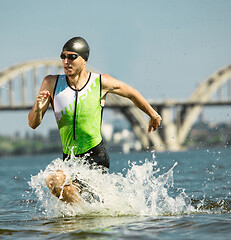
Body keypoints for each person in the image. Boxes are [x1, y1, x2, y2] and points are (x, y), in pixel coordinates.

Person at [28, 37, 162, 204]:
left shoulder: (99, 82)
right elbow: (33, 124)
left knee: (62, 186)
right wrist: (38, 109)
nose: (66, 61)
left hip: (95, 156)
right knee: (54, 183)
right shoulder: (51, 83)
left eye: (72, 57)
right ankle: (85, 215)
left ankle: (84, 217)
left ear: (84, 60)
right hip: (69, 158)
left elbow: (131, 93)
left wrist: (153, 115)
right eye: (63, 56)